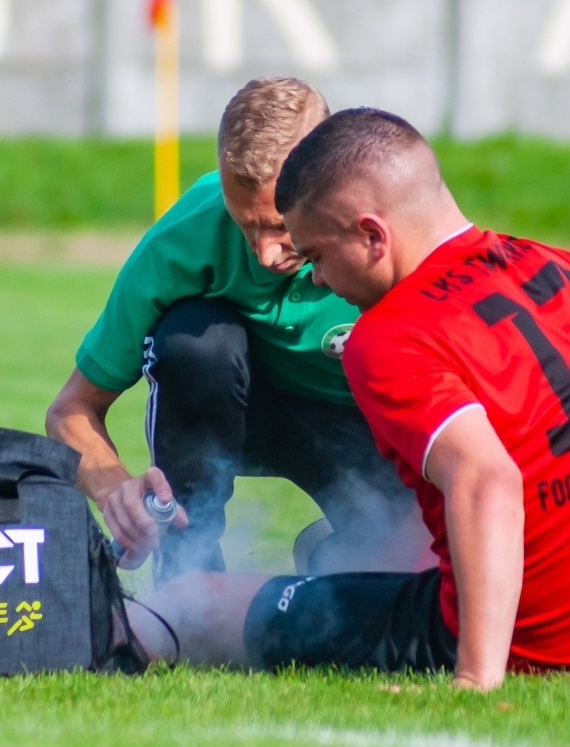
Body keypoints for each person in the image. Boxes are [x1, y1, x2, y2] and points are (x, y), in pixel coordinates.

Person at [126, 109, 570, 689]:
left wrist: (476, 677)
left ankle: (74, 629)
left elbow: (487, 480)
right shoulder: (551, 266)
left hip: (549, 638)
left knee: (192, 602)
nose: (313, 279)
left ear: (372, 236)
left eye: (315, 257)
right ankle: (334, 562)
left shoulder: (386, 336)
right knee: (367, 562)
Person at [45, 78, 430, 581]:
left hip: (360, 427)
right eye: (245, 224)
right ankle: (188, 574)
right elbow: (70, 409)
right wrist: (112, 486)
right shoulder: (185, 236)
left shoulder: (396, 241)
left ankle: (334, 557)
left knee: (412, 581)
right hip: (239, 413)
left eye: (280, 224)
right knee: (195, 340)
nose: (266, 253)